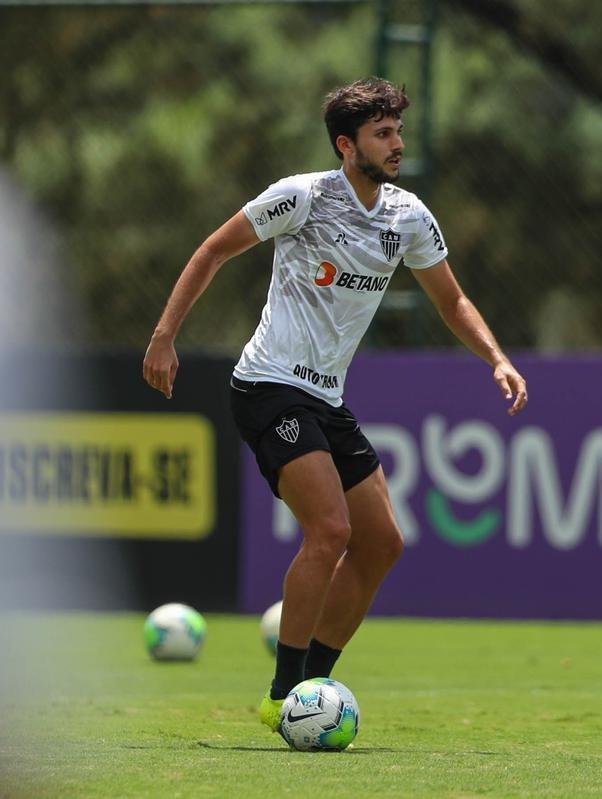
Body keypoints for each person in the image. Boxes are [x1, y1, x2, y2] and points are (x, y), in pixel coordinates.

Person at [142, 77, 528, 733]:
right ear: (347, 145)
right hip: (267, 384)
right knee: (330, 530)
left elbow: (451, 300)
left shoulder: (408, 217)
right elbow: (214, 249)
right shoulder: (301, 197)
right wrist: (164, 335)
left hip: (325, 396)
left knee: (382, 543)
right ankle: (282, 696)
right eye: (383, 134)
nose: (397, 143)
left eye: (398, 131)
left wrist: (496, 357)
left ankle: (313, 686)